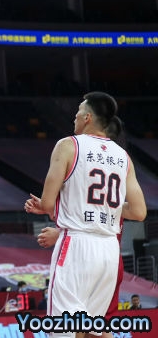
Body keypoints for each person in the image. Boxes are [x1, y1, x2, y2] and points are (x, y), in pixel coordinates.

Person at [25, 91, 147, 338]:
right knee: (92, 329)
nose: (75, 116)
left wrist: (51, 207)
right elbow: (138, 212)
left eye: (78, 111)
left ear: (87, 117)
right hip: (109, 251)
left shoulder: (67, 145)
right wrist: (107, 208)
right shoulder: (123, 157)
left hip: (77, 247)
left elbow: (47, 202)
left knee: (64, 329)